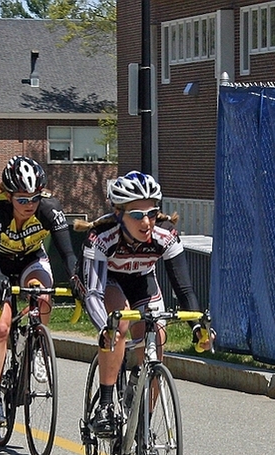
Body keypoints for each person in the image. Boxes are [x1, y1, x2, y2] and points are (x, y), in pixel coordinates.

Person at [76, 171, 210, 437]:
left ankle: (144, 427)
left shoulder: (165, 234)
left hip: (141, 281)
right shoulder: (103, 236)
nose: (146, 222)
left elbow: (183, 288)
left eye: (151, 213)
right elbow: (93, 293)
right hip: (106, 283)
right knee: (119, 324)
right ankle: (104, 406)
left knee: (157, 337)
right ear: (119, 215)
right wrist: (105, 327)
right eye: (137, 215)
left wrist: (198, 326)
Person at [0, 156, 79, 426]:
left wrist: (75, 277)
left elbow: (68, 253)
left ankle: (36, 348)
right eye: (22, 200)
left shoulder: (49, 208)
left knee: (43, 294)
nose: (29, 205)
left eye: (34, 198)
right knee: (1, 327)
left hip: (31, 259)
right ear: (9, 196)